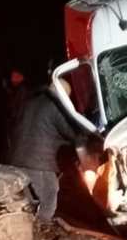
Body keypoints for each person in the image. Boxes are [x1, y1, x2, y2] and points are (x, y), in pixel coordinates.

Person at [10, 78, 88, 222]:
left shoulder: (29, 102)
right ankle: (41, 228)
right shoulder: (55, 105)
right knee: (49, 196)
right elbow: (69, 130)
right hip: (39, 163)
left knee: (28, 202)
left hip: (18, 159)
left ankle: (27, 227)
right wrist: (86, 136)